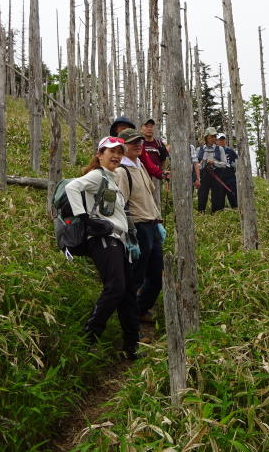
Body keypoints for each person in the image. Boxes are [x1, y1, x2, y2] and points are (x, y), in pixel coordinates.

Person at [65, 136, 140, 360]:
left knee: (127, 293)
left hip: (118, 240)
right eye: (111, 152)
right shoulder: (97, 175)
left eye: (119, 152)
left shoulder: (111, 178)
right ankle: (89, 337)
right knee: (116, 288)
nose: (116, 156)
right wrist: (84, 219)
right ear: (100, 155)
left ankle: (131, 346)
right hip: (104, 240)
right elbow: (72, 186)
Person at [115, 128, 164, 325]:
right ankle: (129, 320)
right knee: (136, 277)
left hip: (152, 225)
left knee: (155, 275)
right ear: (123, 146)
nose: (137, 145)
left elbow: (149, 196)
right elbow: (119, 205)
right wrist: (130, 236)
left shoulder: (140, 166)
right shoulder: (121, 171)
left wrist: (158, 220)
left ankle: (140, 310)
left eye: (139, 141)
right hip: (139, 228)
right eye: (132, 142)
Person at [109, 116, 169, 182]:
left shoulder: (138, 147)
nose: (125, 130)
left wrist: (161, 174)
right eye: (122, 128)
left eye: (127, 128)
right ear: (116, 129)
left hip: (138, 180)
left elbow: (148, 164)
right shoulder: (110, 146)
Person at [196, 127, 228, 213]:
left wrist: (214, 163)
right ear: (206, 137)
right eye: (211, 136)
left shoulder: (220, 149)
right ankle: (201, 214)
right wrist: (201, 164)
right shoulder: (199, 149)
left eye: (214, 136)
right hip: (204, 175)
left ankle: (216, 215)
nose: (213, 138)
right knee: (202, 195)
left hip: (217, 175)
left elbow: (224, 164)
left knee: (217, 196)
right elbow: (195, 165)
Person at [216, 133, 238, 208]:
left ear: (225, 140)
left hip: (230, 179)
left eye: (223, 139)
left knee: (234, 199)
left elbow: (237, 163)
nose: (222, 141)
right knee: (219, 201)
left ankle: (236, 213)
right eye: (220, 140)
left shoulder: (231, 151)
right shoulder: (214, 152)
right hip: (219, 180)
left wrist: (234, 165)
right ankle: (219, 216)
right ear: (217, 141)